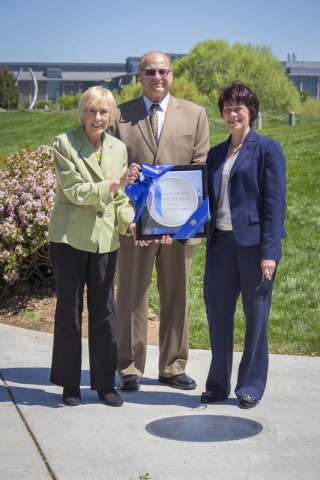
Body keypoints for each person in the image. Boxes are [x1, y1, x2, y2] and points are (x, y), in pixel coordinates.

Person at [108, 51, 210, 391]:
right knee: (132, 297)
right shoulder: (120, 115)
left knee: (176, 296)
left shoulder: (195, 115)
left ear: (171, 73)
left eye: (162, 71)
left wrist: (182, 225)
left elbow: (200, 169)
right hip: (134, 226)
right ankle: (130, 368)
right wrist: (128, 213)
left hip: (178, 229)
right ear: (139, 75)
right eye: (149, 71)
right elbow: (110, 170)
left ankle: (172, 366)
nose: (157, 77)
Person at [48, 86, 141, 407]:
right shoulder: (64, 143)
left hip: (105, 240)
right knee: (69, 313)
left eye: (104, 112)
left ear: (111, 116)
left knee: (105, 314)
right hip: (69, 239)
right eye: (91, 111)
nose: (97, 117)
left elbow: (118, 199)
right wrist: (117, 182)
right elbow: (75, 191)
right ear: (81, 114)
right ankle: (70, 385)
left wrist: (132, 222)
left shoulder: (118, 148)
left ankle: (104, 385)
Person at [201, 82, 287, 409]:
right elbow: (203, 200)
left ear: (251, 111)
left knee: (256, 316)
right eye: (227, 109)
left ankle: (250, 386)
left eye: (239, 108)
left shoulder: (267, 148)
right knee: (218, 315)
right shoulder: (215, 153)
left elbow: (275, 205)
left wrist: (269, 252)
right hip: (220, 243)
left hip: (254, 247)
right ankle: (218, 385)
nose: (232, 114)